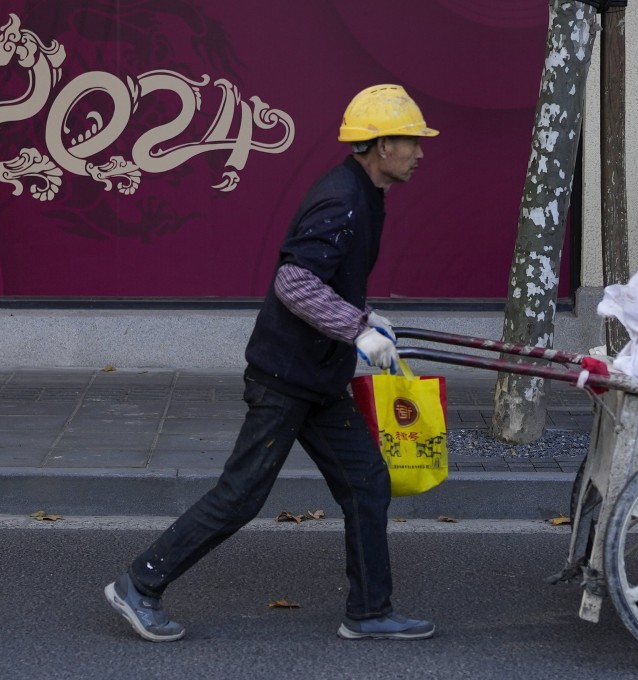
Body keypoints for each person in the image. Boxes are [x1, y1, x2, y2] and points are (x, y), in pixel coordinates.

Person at [104, 84, 439, 642]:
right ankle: (140, 584)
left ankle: (371, 612)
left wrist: (367, 317)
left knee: (367, 485)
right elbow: (295, 281)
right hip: (286, 379)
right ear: (382, 145)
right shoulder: (343, 199)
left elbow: (329, 279)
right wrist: (356, 329)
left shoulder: (365, 194)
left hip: (317, 376)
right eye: (412, 141)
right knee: (240, 496)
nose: (420, 152)